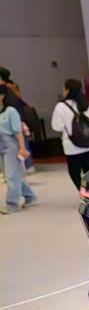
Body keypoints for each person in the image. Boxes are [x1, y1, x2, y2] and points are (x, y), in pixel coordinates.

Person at [51, 79, 89, 189]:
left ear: (67, 90)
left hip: (72, 146)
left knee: (74, 173)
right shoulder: (87, 105)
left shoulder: (61, 106)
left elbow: (56, 127)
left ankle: (84, 192)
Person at [0, 85, 37, 214]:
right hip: (1, 145)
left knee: (11, 176)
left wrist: (22, 148)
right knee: (12, 174)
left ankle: (12, 204)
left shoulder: (11, 111)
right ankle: (30, 196)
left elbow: (18, 132)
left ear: (2, 96)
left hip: (11, 145)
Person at [0, 67, 37, 174]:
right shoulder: (11, 89)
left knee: (19, 143)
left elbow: (13, 108)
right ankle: (27, 166)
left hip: (13, 123)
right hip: (15, 122)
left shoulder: (7, 92)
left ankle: (26, 166)